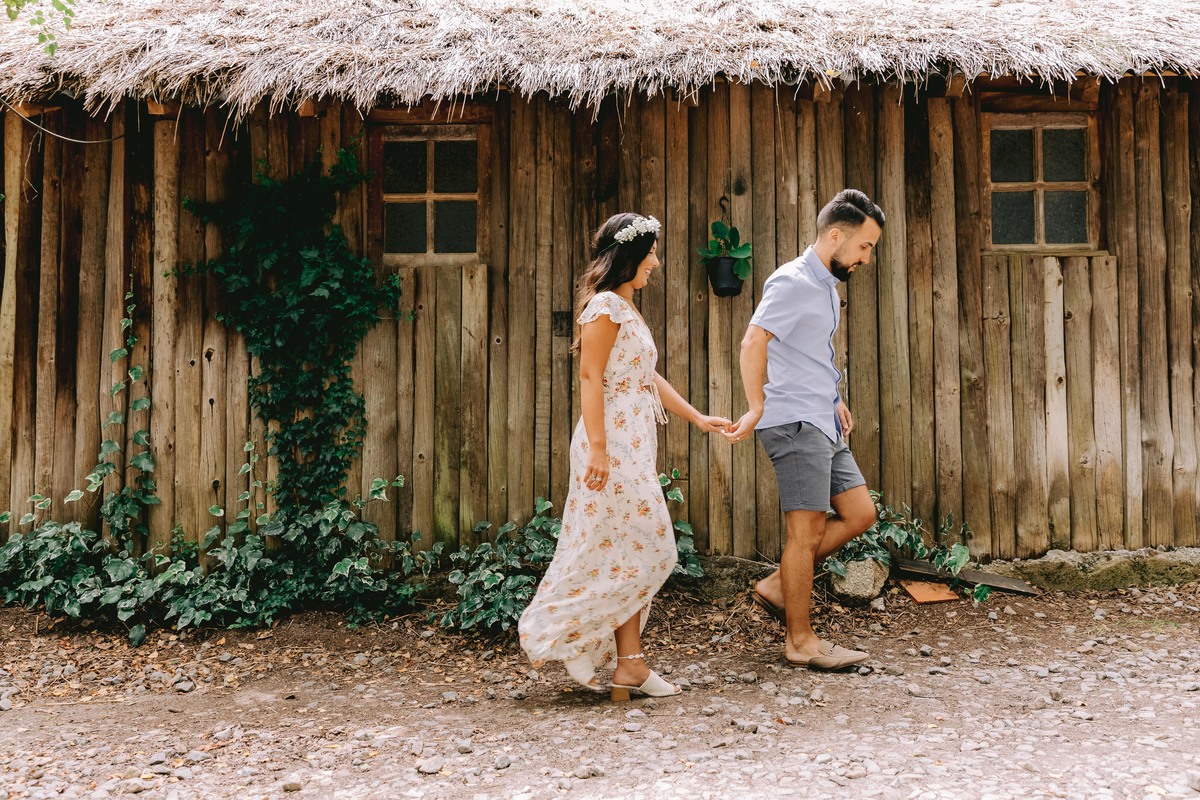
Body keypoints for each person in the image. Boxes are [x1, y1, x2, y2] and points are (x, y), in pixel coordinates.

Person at [519, 212, 731, 701]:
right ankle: (572, 633)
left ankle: (629, 665)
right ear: (629, 255)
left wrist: (698, 418)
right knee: (654, 546)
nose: (656, 263)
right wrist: (598, 449)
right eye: (651, 253)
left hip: (632, 441)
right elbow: (590, 377)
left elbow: (645, 377)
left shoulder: (626, 308)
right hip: (610, 444)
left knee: (627, 552)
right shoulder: (605, 308)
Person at [724, 189, 885, 671]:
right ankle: (800, 640)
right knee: (806, 531)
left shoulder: (826, 289)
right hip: (794, 421)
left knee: (860, 514)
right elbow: (754, 340)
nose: (866, 258)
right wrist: (757, 406)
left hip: (822, 417)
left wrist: (835, 398)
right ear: (836, 236)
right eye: (864, 246)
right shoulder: (792, 282)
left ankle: (777, 586)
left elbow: (811, 352)